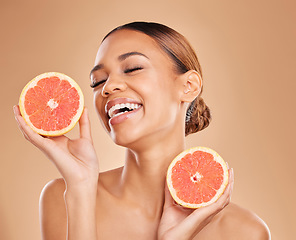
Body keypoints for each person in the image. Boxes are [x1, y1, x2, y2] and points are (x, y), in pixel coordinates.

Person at [13, 21, 270, 240]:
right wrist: (81, 188)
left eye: (133, 68)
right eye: (98, 81)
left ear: (188, 86)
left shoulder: (243, 231)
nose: (108, 87)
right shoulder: (64, 197)